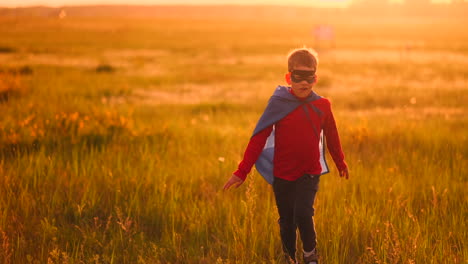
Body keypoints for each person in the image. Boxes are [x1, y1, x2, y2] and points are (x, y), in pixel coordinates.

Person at [223, 47, 349, 264]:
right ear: (288, 77)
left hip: (309, 173)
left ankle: (310, 255)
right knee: (287, 221)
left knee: (303, 213)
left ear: (315, 78)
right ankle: (289, 257)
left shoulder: (322, 106)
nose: (304, 83)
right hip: (282, 174)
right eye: (298, 77)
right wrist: (241, 172)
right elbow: (258, 139)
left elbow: (332, 135)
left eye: (309, 77)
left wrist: (340, 161)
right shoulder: (278, 103)